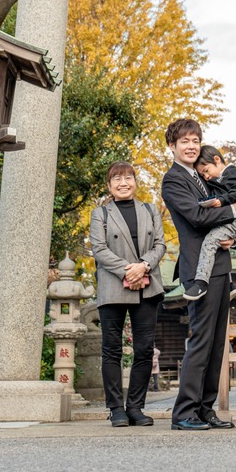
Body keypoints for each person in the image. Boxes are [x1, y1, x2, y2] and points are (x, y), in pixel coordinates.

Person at [161, 118, 236, 431]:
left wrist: (232, 235)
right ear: (172, 146)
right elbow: (197, 217)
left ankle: (204, 409)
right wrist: (234, 212)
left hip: (221, 266)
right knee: (200, 340)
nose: (191, 146)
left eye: (195, 140)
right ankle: (184, 412)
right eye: (184, 141)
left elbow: (220, 207)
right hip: (198, 268)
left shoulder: (201, 176)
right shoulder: (173, 180)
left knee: (216, 343)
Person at [89, 161, 165, 428]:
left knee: (144, 349)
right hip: (113, 285)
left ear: (135, 181)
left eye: (128, 177)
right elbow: (98, 249)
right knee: (112, 349)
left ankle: (135, 406)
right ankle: (115, 408)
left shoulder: (150, 209)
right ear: (109, 185)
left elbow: (160, 243)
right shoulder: (101, 214)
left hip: (147, 284)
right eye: (117, 179)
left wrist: (143, 266)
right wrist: (128, 271)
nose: (124, 183)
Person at [183, 145, 236, 302]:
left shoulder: (231, 172)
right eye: (202, 174)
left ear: (216, 159)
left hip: (235, 221)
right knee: (217, 246)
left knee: (210, 241)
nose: (206, 176)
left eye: (206, 170)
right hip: (228, 221)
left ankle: (201, 282)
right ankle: (230, 285)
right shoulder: (215, 180)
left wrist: (221, 201)